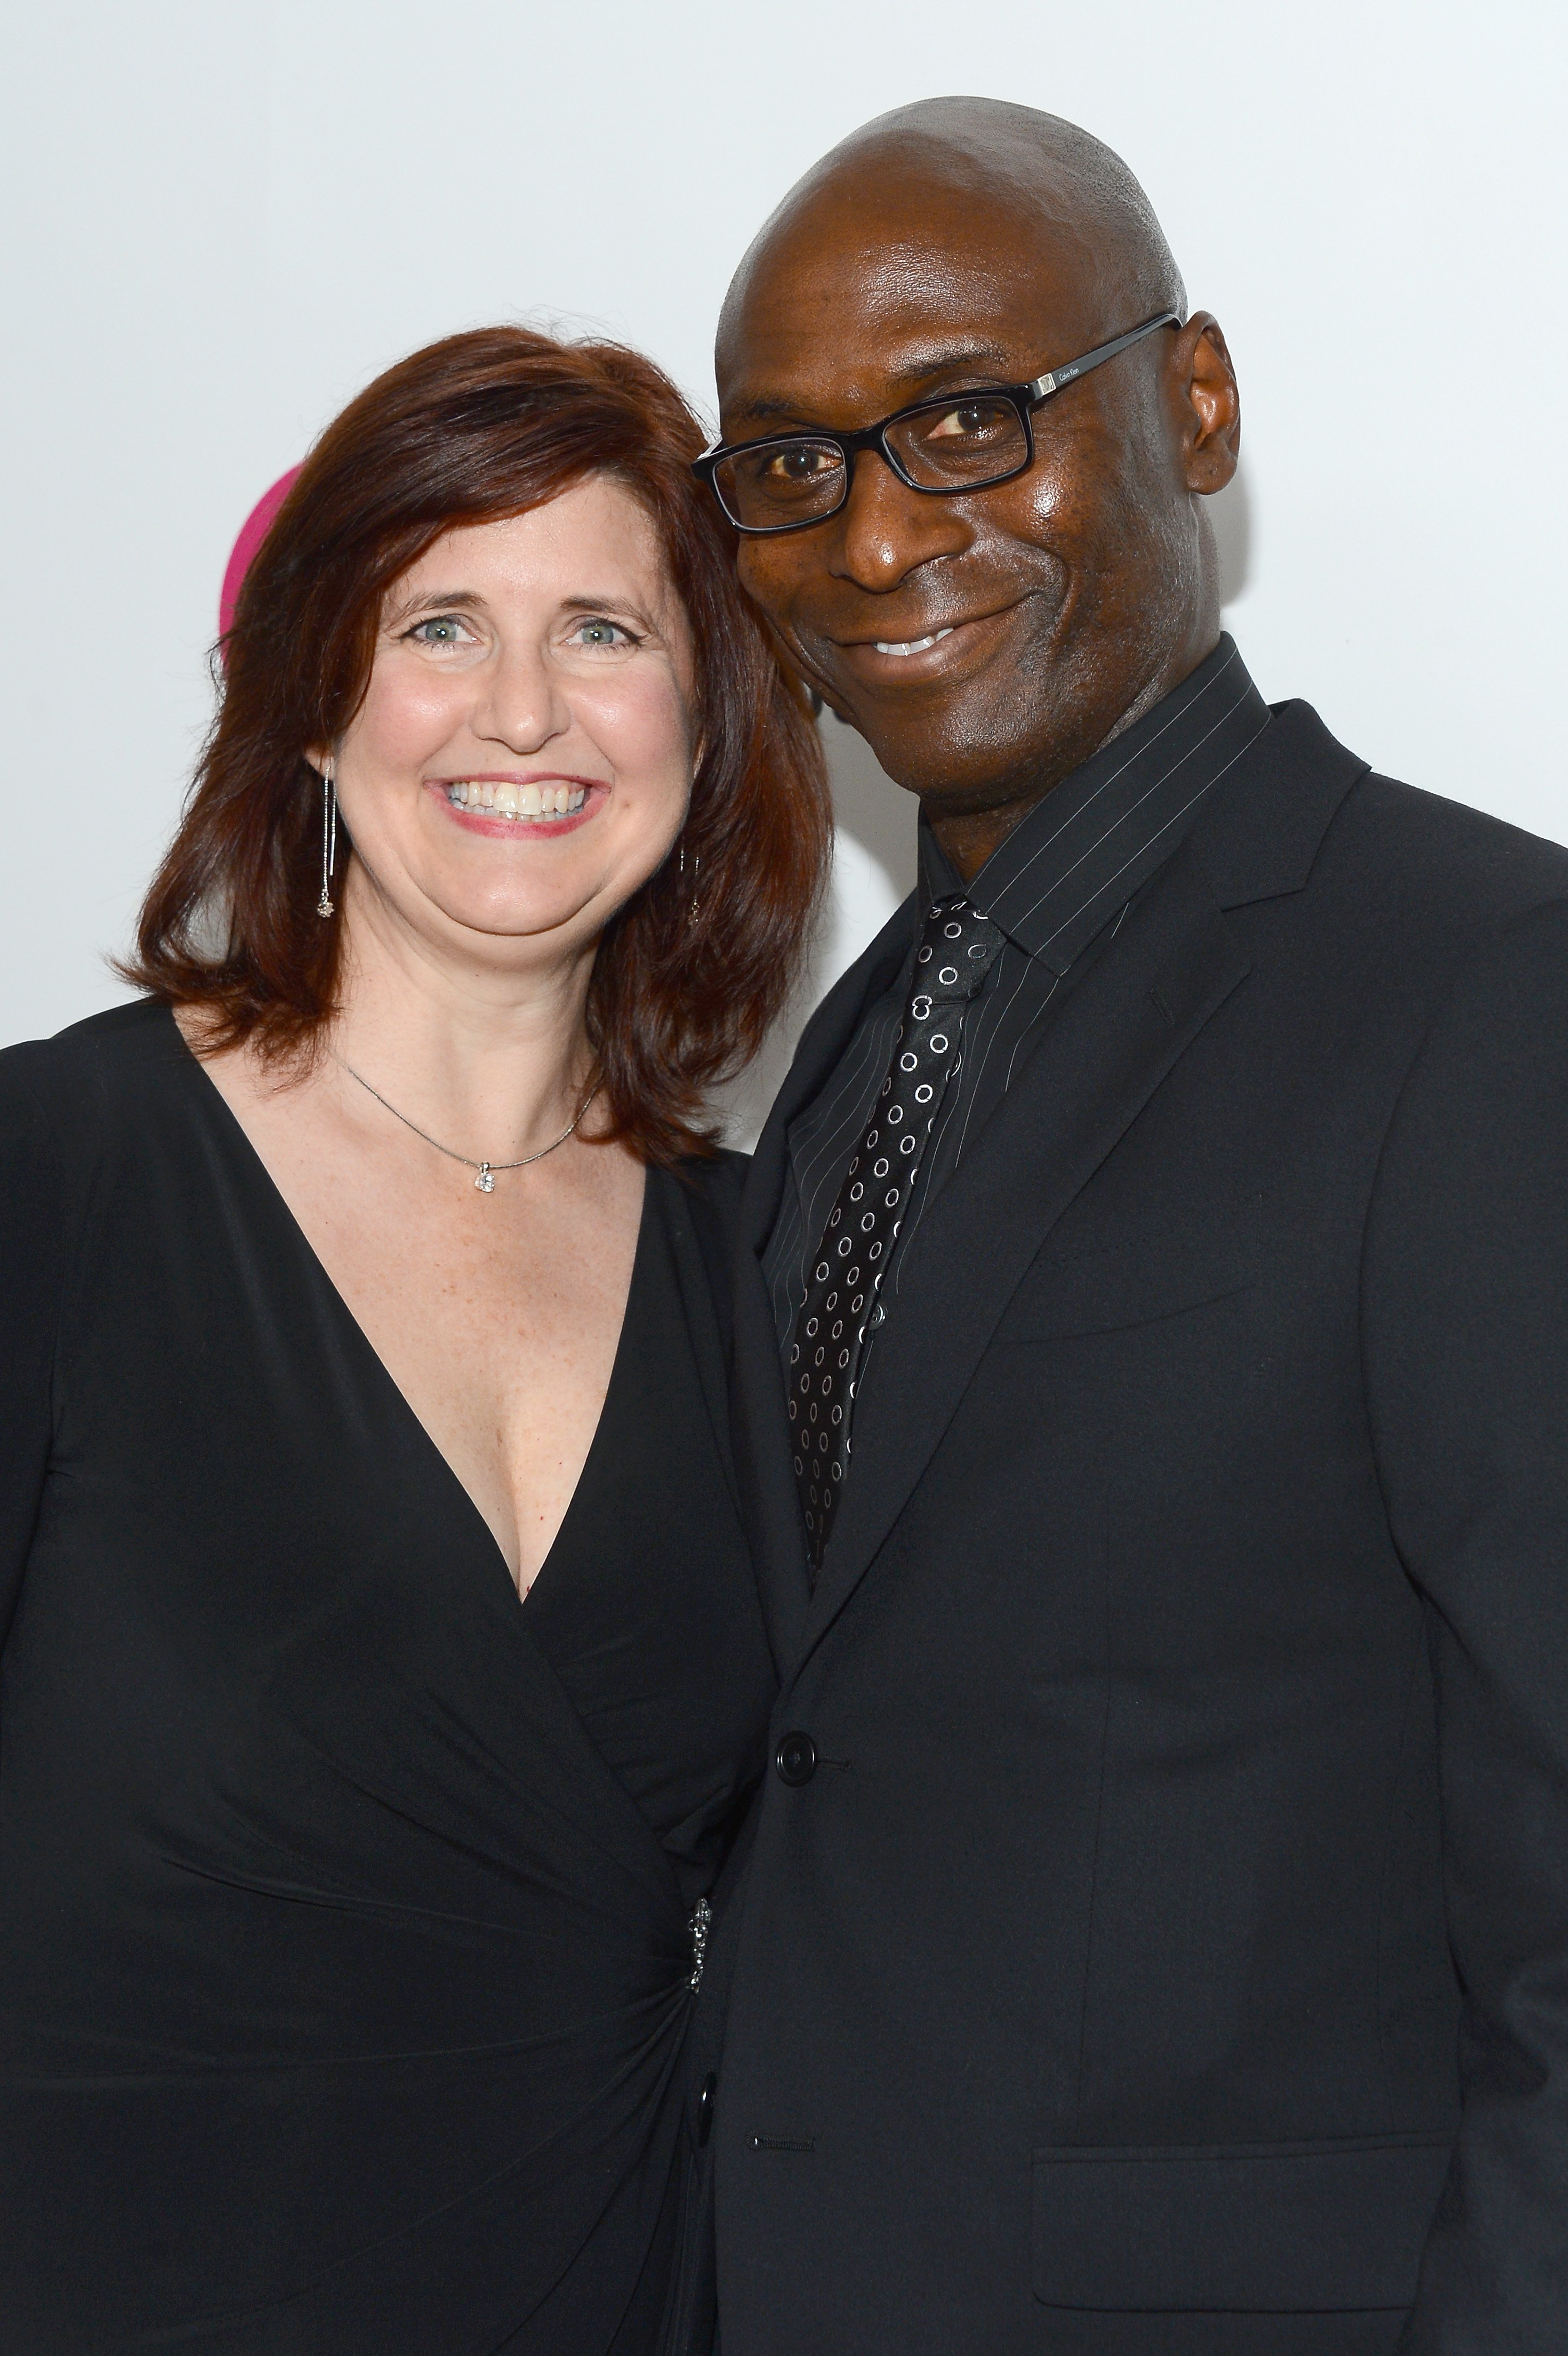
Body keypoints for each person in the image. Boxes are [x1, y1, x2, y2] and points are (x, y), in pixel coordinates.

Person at [673, 98, 1568, 2355]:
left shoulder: (1488, 986)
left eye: (967, 422)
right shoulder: (849, 1047)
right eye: (788, 468)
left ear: (1192, 401)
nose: (878, 541)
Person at [0, 325, 830, 2352]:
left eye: (607, 631)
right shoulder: (57, 1174)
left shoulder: (763, 1271)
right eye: (440, 618)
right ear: (308, 700)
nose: (526, 708)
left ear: (707, 718)